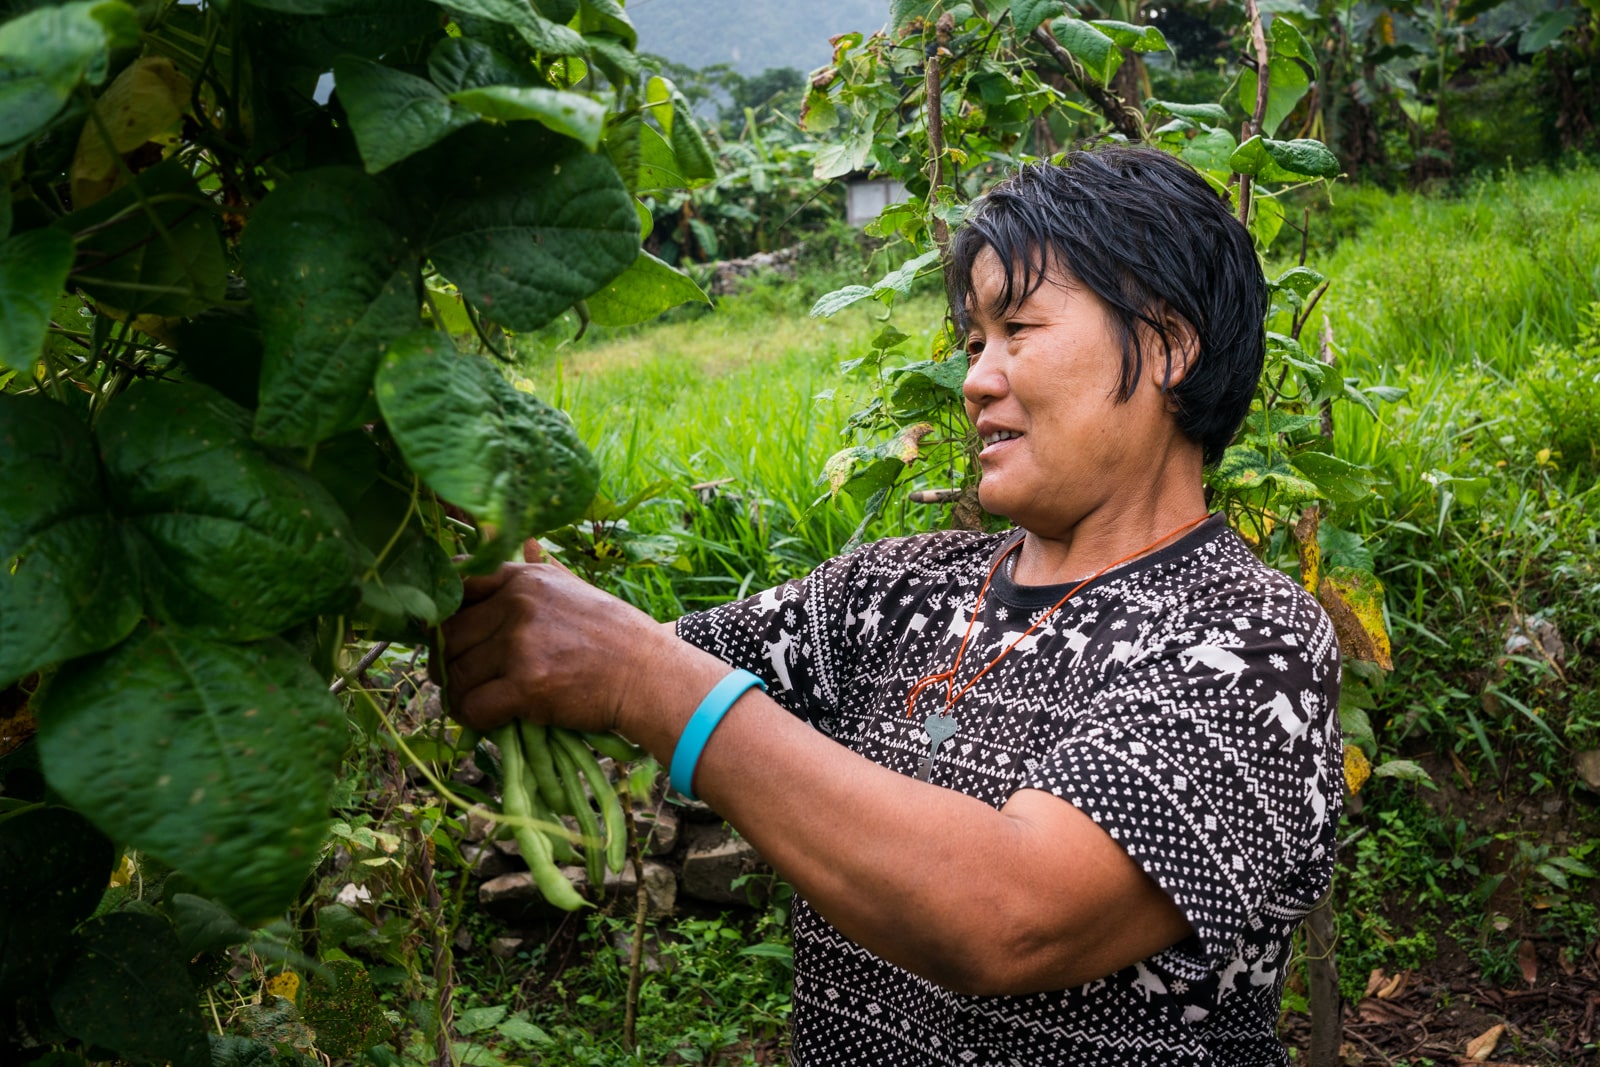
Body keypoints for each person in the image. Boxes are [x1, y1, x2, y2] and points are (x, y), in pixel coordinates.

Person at [442, 146, 1342, 1066]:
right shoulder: (892, 591)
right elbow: (590, 655)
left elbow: (1012, 915)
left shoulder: (1252, 643)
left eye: (1019, 328)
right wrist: (456, 528)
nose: (977, 379)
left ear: (1167, 346)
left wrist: (641, 677)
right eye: (974, 342)